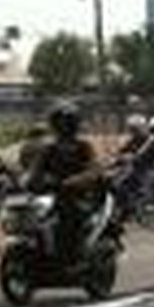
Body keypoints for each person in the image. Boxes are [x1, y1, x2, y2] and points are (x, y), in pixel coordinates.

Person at [25, 102, 104, 259]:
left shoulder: (83, 146)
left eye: (66, 122)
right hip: (54, 192)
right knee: (31, 214)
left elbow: (94, 169)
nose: (63, 126)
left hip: (79, 194)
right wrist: (30, 180)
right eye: (59, 122)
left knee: (70, 216)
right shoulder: (49, 148)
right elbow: (37, 168)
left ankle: (74, 254)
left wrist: (77, 180)